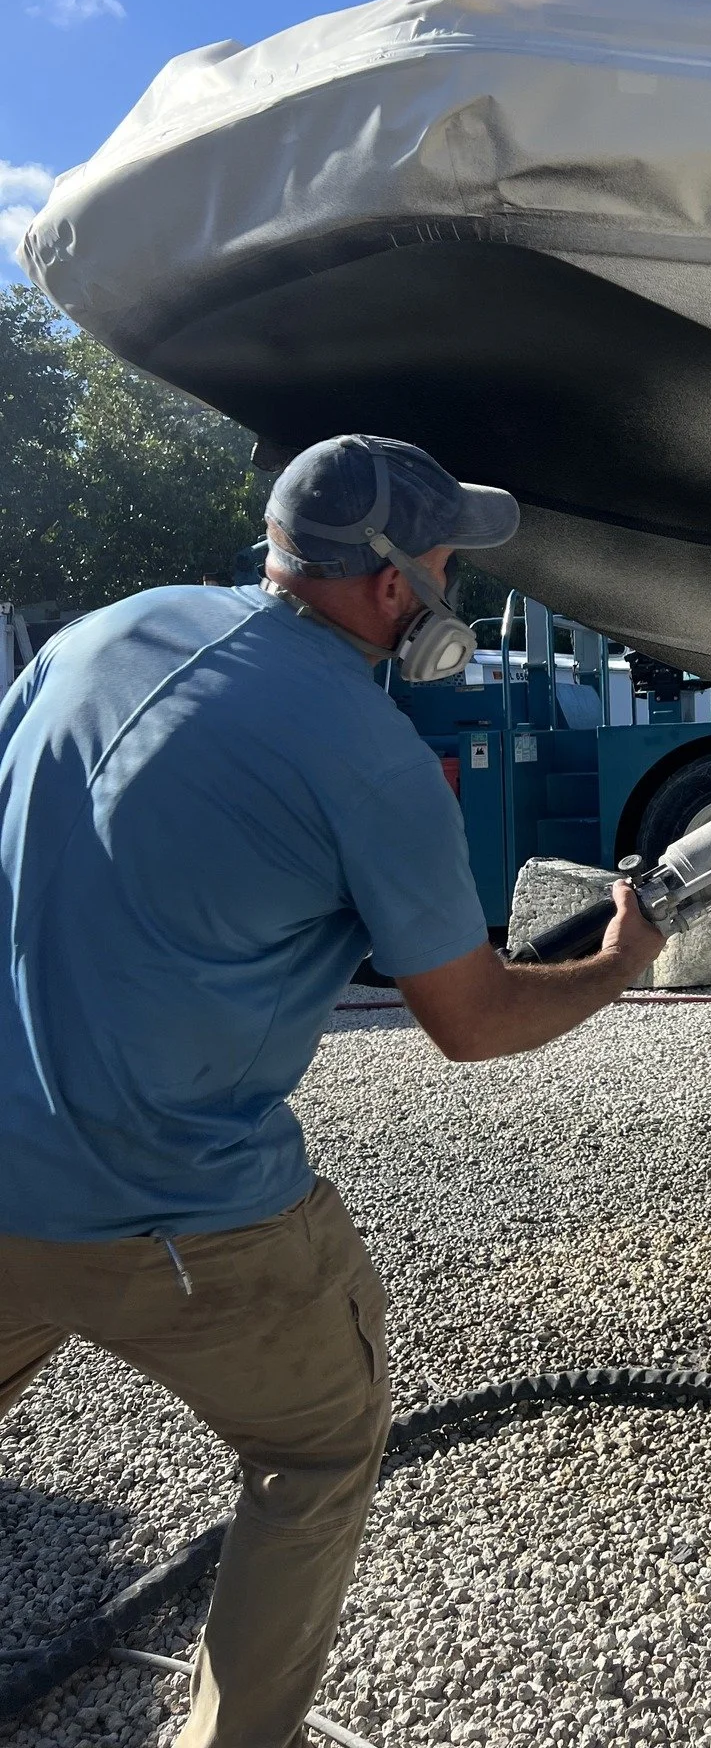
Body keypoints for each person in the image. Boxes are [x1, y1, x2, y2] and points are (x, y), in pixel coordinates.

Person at [0, 433, 663, 1748]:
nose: (451, 593)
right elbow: (470, 1020)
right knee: (315, 1449)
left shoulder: (102, 637)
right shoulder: (369, 757)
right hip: (182, 1210)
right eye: (447, 566)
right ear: (388, 586)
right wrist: (615, 964)